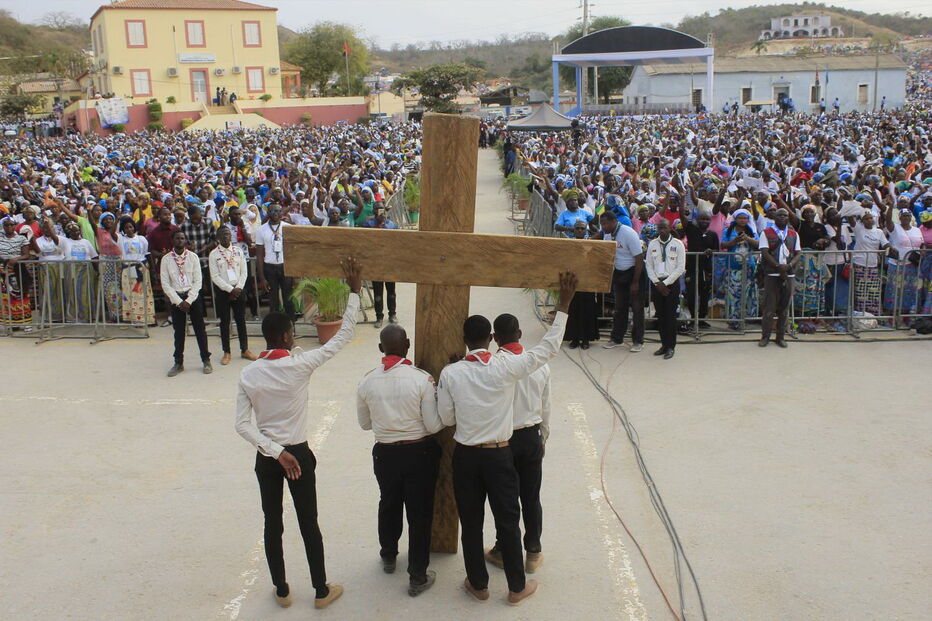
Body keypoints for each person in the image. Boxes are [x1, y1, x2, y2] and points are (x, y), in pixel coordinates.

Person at [437, 271, 577, 606]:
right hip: (500, 453)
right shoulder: (507, 368)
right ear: (492, 338)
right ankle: (516, 588)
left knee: (470, 523)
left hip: (467, 456)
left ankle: (479, 585)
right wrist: (565, 305)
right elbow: (547, 349)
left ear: (466, 339)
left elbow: (445, 419)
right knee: (509, 520)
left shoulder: (452, 373)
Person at [235, 257, 362, 611]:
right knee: (309, 522)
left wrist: (274, 450)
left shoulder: (250, 374)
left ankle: (281, 589)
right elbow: (344, 336)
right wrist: (353, 292)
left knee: (272, 522)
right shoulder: (299, 364)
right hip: (299, 453)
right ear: (289, 336)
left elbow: (242, 425)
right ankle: (321, 591)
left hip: (268, 457)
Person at [356, 323, 443, 597]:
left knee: (389, 502)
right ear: (407, 344)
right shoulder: (422, 379)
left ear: (381, 349)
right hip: (419, 452)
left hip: (385, 453)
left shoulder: (366, 381)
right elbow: (432, 425)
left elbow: (365, 424)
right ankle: (417, 576)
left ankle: (389, 555)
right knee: (419, 513)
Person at [484, 313, 550, 573]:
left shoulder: (493, 365)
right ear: (520, 334)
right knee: (531, 497)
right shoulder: (539, 364)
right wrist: (543, 436)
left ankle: (503, 549)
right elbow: (547, 405)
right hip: (531, 435)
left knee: (505, 499)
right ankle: (533, 551)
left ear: (494, 338)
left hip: (504, 439)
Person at [160, 230, 212, 376]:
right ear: (172, 241)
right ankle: (178, 362)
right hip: (177, 299)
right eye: (177, 238)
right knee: (179, 332)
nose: (180, 240)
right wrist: (178, 301)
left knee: (200, 330)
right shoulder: (166, 259)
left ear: (186, 241)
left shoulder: (193, 257)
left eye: (182, 238)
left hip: (192, 297)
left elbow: (198, 281)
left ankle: (206, 360)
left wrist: (188, 300)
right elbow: (165, 284)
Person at [596, 211, 644, 352]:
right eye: (601, 224)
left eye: (605, 223)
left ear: (613, 221)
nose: (603, 227)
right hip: (619, 273)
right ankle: (617, 338)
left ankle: (638, 341)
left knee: (637, 309)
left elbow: (639, 259)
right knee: (619, 308)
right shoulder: (606, 234)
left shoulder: (628, 233)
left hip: (634, 272)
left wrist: (635, 282)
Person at [209, 226, 256, 365]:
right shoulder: (214, 254)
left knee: (241, 321)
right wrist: (230, 290)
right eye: (223, 235)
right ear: (218, 237)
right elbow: (215, 276)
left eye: (228, 234)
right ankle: (227, 352)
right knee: (224, 323)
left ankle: (245, 349)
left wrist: (238, 288)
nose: (226, 237)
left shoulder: (238, 251)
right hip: (223, 292)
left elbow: (244, 272)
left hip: (239, 290)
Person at [758, 208, 801, 348]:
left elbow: (798, 253)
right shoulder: (766, 233)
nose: (782, 217)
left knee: (784, 308)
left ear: (788, 218)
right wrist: (778, 266)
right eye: (779, 215)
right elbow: (764, 252)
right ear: (774, 217)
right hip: (772, 274)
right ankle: (765, 336)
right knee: (769, 308)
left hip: (789, 274)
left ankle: (780, 337)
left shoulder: (794, 234)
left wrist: (788, 266)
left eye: (785, 215)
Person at [645, 219, 686, 358]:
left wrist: (666, 283)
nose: (662, 230)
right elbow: (649, 265)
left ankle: (671, 347)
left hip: (671, 284)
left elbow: (680, 267)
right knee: (660, 316)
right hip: (657, 283)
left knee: (670, 316)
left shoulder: (677, 244)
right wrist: (657, 283)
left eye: (664, 228)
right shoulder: (653, 244)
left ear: (670, 229)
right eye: (660, 228)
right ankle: (663, 344)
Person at [720, 208, 759, 329]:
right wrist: (735, 241)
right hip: (733, 268)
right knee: (733, 295)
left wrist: (747, 238)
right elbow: (723, 244)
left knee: (747, 295)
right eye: (740, 218)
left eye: (745, 218)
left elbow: (758, 244)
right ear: (735, 219)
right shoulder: (728, 230)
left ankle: (745, 319)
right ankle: (733, 321)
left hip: (748, 268)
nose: (742, 220)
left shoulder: (752, 231)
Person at [680, 208, 718, 328]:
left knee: (705, 295)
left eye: (707, 219)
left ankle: (701, 319)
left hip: (706, 270)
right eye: (702, 218)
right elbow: (682, 216)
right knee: (691, 294)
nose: (705, 221)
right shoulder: (691, 229)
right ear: (697, 219)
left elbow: (716, 249)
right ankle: (692, 318)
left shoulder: (713, 234)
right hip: (691, 268)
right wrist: (681, 198)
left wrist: (710, 251)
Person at [564, 221, 599, 348]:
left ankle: (586, 339)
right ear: (574, 230)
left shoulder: (591, 243)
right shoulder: (569, 244)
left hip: (587, 281)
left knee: (587, 309)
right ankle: (574, 338)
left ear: (586, 230)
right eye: (577, 228)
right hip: (573, 280)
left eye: (582, 228)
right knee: (573, 309)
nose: (579, 230)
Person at [256, 206, 295, 316]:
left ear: (281, 212)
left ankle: (290, 326)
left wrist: (294, 271)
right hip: (270, 268)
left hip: (285, 267)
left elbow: (293, 250)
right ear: (268, 212)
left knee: (288, 298)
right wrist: (262, 278)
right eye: (273, 211)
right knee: (273, 300)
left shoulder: (288, 227)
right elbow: (259, 255)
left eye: (278, 211)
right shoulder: (261, 229)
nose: (275, 213)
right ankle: (275, 329)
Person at [117, 218, 155, 325]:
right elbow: (113, 233)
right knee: (130, 293)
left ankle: (147, 318)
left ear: (134, 227)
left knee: (142, 293)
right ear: (123, 229)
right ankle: (132, 318)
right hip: (127, 269)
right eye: (126, 228)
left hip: (141, 269)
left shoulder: (141, 239)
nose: (129, 229)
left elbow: (146, 254)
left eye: (131, 227)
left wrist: (151, 270)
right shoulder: (121, 239)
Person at [851, 211, 887, 315]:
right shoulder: (859, 229)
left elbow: (885, 243)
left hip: (873, 265)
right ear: (862, 221)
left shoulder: (879, 232)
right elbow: (850, 219)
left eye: (871, 218)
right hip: (859, 264)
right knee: (860, 291)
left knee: (873, 291)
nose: (869, 220)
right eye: (866, 219)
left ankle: (873, 314)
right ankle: (860, 313)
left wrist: (890, 247)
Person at [61, 221, 97, 323]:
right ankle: (72, 317)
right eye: (72, 232)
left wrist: (98, 270)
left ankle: (87, 316)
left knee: (86, 293)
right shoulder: (65, 242)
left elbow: (94, 256)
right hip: (71, 270)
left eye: (77, 230)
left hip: (85, 271)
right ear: (69, 233)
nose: (75, 233)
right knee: (72, 293)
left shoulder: (86, 242)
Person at [0, 216, 31, 325]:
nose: (9, 227)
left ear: (15, 226)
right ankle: (11, 323)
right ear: (3, 226)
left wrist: (15, 259)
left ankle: (25, 322)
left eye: (11, 225)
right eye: (6, 225)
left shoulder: (21, 238)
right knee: (6, 298)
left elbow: (26, 255)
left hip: (17, 270)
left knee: (20, 295)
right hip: (2, 271)